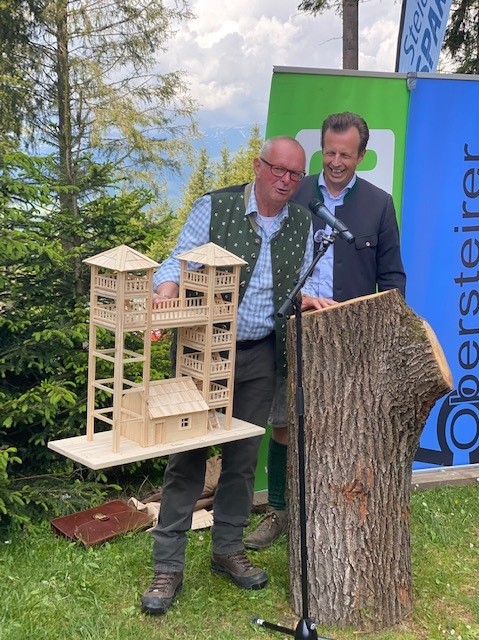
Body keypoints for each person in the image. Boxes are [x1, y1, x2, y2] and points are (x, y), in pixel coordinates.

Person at [141, 136, 327, 615]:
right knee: (188, 456)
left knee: (243, 458)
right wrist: (167, 288)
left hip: (262, 354)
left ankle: (227, 549)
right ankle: (168, 566)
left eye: (295, 174)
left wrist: (311, 297)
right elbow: (177, 259)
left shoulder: (303, 222)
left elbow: (311, 279)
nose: (286, 180)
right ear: (258, 166)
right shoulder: (215, 206)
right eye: (278, 169)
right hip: (203, 352)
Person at [244, 111, 407, 551]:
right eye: (329, 152)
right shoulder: (295, 192)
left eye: (345, 155)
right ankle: (279, 511)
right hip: (292, 326)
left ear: (362, 156)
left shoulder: (378, 204)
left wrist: (388, 330)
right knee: (284, 420)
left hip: (350, 333)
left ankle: (337, 512)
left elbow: (392, 275)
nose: (335, 162)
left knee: (346, 423)